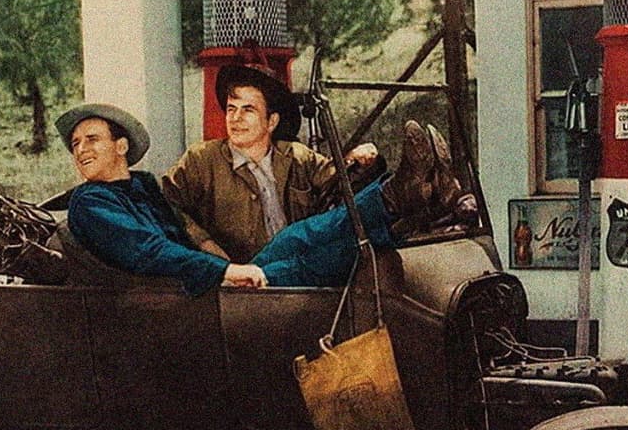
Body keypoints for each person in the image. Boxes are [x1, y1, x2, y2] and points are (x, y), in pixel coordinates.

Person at [57, 103, 452, 295]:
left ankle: (411, 193)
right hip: (180, 296)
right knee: (309, 263)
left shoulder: (141, 186)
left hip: (200, 279)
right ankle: (408, 206)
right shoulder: (91, 204)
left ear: (121, 145)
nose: (81, 150)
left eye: (91, 139)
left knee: (298, 236)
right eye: (76, 144)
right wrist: (224, 271)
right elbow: (149, 251)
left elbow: (184, 228)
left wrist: (217, 260)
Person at [161, 63, 381, 263]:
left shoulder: (297, 157)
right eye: (231, 109)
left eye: (248, 110)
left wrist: (358, 159)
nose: (235, 118)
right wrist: (205, 245)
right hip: (237, 279)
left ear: (272, 121)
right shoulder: (201, 160)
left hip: (296, 272)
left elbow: (338, 181)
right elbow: (164, 205)